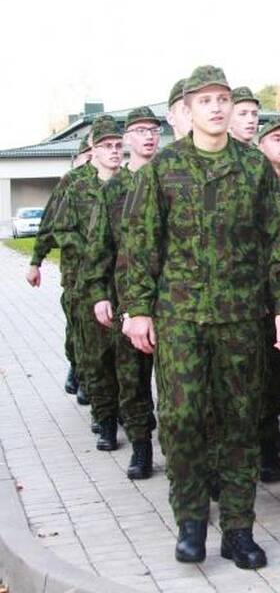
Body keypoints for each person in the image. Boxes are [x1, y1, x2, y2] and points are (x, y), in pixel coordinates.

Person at [120, 65, 280, 570]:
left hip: (241, 317)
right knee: (181, 421)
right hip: (181, 320)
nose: (216, 107)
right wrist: (138, 309)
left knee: (241, 422)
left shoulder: (253, 166)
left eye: (223, 98)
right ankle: (191, 520)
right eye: (205, 101)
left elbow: (277, 241)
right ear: (188, 110)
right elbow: (140, 243)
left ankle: (238, 529)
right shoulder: (163, 169)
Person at [85, 107, 162, 478]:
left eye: (153, 130)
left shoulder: (171, 178)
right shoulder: (114, 189)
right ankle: (142, 446)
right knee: (132, 377)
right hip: (127, 297)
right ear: (127, 139)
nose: (148, 136)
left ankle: (196, 457)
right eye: (139, 130)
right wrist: (100, 293)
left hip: (173, 298)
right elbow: (99, 246)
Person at [53, 116, 124, 449]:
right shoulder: (77, 185)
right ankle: (105, 419)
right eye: (106, 146)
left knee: (127, 363)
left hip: (124, 288)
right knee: (95, 360)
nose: (113, 151)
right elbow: (61, 228)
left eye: (117, 145)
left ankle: (128, 418)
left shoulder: (131, 185)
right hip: (87, 286)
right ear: (92, 150)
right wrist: (92, 249)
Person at [26, 137, 94, 398]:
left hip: (108, 274)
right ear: (78, 159)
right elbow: (49, 223)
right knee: (77, 328)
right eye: (86, 156)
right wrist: (36, 261)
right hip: (76, 273)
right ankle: (79, 368)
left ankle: (94, 383)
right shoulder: (71, 182)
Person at [255, 116, 280, 482]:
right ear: (261, 145)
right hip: (257, 300)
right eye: (276, 138)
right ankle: (267, 444)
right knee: (264, 380)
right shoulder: (253, 181)